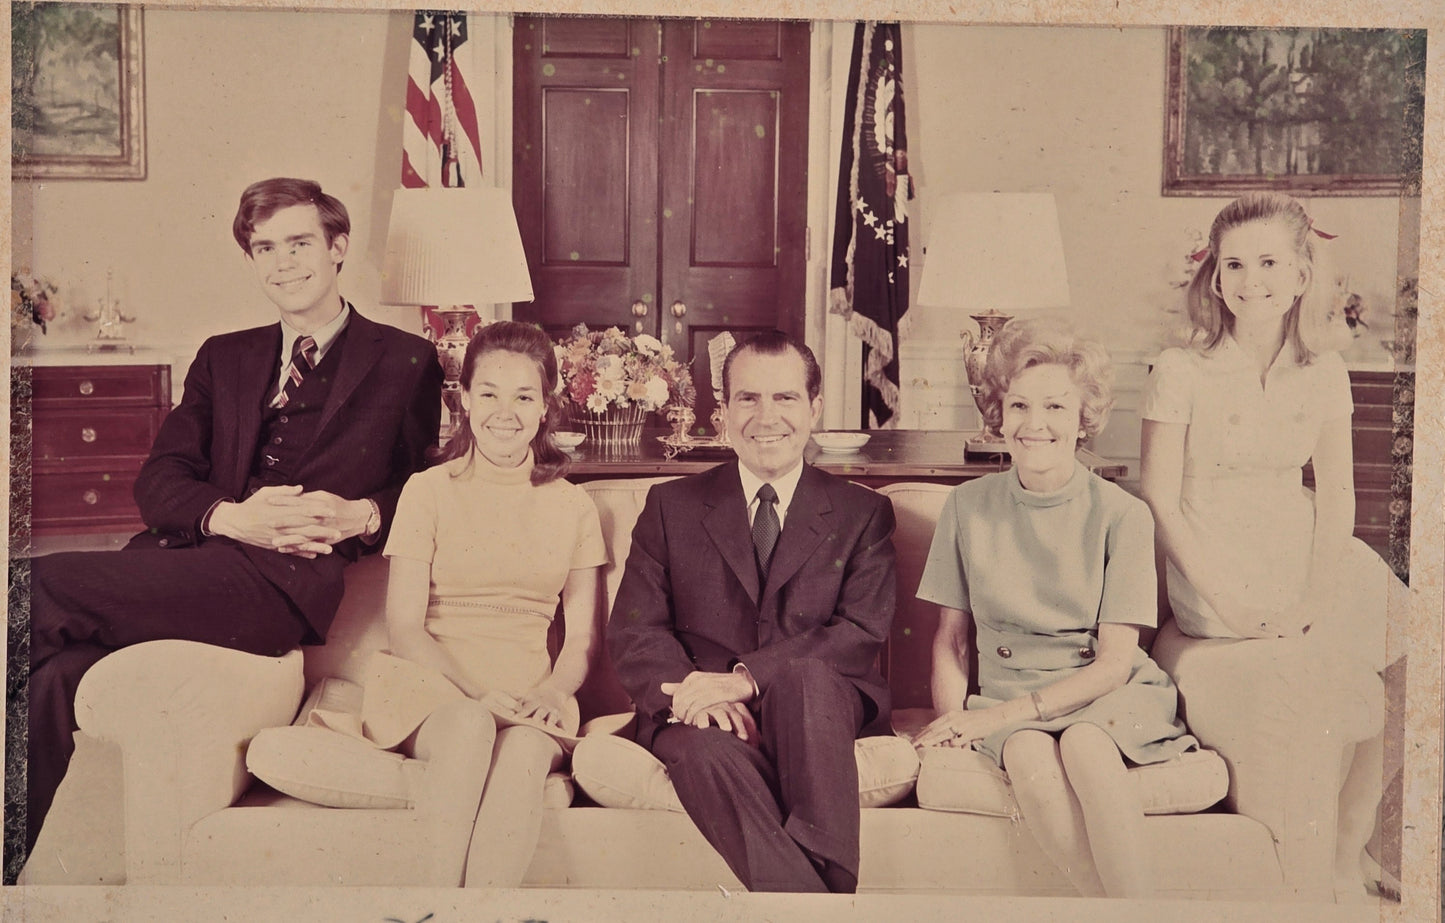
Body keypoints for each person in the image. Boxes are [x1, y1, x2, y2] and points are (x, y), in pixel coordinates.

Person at [19, 178, 444, 865]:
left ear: (337, 248)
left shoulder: (405, 359)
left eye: (299, 243)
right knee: (53, 678)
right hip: (189, 557)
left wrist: (360, 514)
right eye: (264, 248)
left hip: (282, 588)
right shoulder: (225, 355)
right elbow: (158, 481)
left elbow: (430, 486)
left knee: (38, 587)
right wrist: (229, 516)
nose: (283, 262)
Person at [248, 320, 607, 887]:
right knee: (469, 726)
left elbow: (582, 639)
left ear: (546, 407)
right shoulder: (427, 491)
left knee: (523, 756)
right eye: (487, 393)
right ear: (463, 399)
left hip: (531, 695)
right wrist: (476, 692)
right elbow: (405, 626)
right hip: (435, 689)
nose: (504, 412)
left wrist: (552, 692)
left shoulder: (574, 507)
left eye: (523, 396)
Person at [1138, 191, 1403, 898]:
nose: (1250, 279)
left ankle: (1353, 844)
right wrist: (1226, 599)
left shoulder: (1324, 370)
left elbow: (1338, 497)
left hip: (1306, 547)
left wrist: (1318, 595)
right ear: (1214, 278)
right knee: (1323, 677)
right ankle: (1329, 863)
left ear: (1300, 274)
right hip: (1215, 562)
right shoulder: (1180, 369)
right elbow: (1160, 498)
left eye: (1266, 262)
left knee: (1415, 658)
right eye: (1233, 265)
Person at [912, 317, 1198, 899]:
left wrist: (994, 716)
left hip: (1103, 690)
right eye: (1018, 405)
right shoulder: (967, 507)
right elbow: (952, 640)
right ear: (998, 412)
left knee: (1087, 746)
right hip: (1007, 693)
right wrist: (955, 722)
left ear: (1084, 418)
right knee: (1027, 754)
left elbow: (1116, 663)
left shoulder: (1124, 514)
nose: (1034, 425)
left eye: (1055, 408)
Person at [604, 330, 897, 893]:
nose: (767, 417)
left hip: (818, 708)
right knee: (702, 755)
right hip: (701, 714)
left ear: (814, 409)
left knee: (809, 680)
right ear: (722, 413)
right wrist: (693, 694)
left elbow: (859, 634)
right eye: (748, 398)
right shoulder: (670, 506)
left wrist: (743, 680)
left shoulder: (863, 513)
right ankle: (824, 909)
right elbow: (637, 633)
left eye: (785, 398)